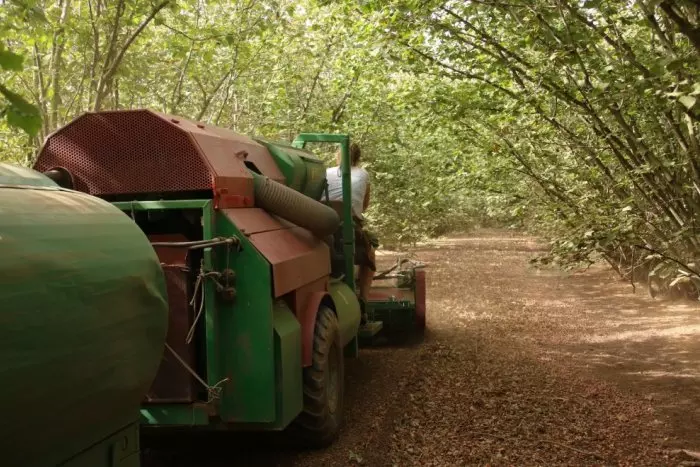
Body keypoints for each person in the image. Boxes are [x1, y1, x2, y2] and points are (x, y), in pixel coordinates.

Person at [325, 143, 379, 304]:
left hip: (322, 224)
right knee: (370, 257)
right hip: (347, 226)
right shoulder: (363, 174)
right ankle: (363, 298)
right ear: (358, 158)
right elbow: (364, 206)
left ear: (337, 156)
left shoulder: (326, 172)